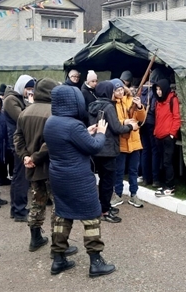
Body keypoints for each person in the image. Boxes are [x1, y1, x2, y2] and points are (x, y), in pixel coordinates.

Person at [43, 84, 116, 277]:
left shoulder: (52, 122)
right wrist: (100, 132)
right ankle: (96, 262)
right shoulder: (73, 125)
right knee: (92, 216)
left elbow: (72, 141)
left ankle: (58, 258)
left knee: (62, 214)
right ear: (73, 101)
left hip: (58, 176)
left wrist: (86, 131)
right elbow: (93, 147)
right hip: (78, 178)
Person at [14, 78, 79, 257]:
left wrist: (26, 157)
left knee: (37, 202)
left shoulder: (24, 112)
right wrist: (35, 157)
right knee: (59, 207)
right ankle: (58, 247)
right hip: (52, 166)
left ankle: (35, 239)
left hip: (32, 168)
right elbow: (51, 141)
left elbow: (17, 137)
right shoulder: (55, 114)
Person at [88, 81, 138, 223]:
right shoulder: (109, 106)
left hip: (96, 146)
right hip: (108, 149)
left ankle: (104, 206)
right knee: (107, 182)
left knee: (102, 180)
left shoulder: (92, 105)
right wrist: (130, 126)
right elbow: (116, 128)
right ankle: (104, 211)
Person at [110, 79, 146, 209]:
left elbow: (141, 118)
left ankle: (134, 195)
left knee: (133, 171)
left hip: (134, 142)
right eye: (117, 90)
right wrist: (124, 122)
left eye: (121, 89)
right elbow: (114, 121)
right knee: (119, 171)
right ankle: (118, 195)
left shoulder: (131, 100)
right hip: (121, 142)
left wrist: (140, 106)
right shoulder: (112, 104)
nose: (120, 92)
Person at [3, 75, 35, 222]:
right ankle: (18, 209)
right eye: (28, 89)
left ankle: (17, 208)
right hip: (17, 143)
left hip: (20, 140)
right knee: (20, 177)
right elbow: (23, 117)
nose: (29, 92)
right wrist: (31, 104)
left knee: (20, 176)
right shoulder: (11, 100)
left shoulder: (17, 99)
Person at [152, 79, 181, 197]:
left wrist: (172, 134)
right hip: (158, 135)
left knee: (167, 162)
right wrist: (155, 132)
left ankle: (170, 186)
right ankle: (165, 184)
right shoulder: (158, 101)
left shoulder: (172, 100)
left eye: (160, 89)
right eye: (157, 90)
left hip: (167, 137)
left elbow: (176, 118)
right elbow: (157, 118)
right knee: (162, 162)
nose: (158, 92)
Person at [140, 68, 167, 187]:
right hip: (152, 122)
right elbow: (153, 109)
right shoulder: (154, 91)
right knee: (155, 151)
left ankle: (146, 178)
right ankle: (155, 179)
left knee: (145, 150)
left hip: (142, 122)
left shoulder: (143, 88)